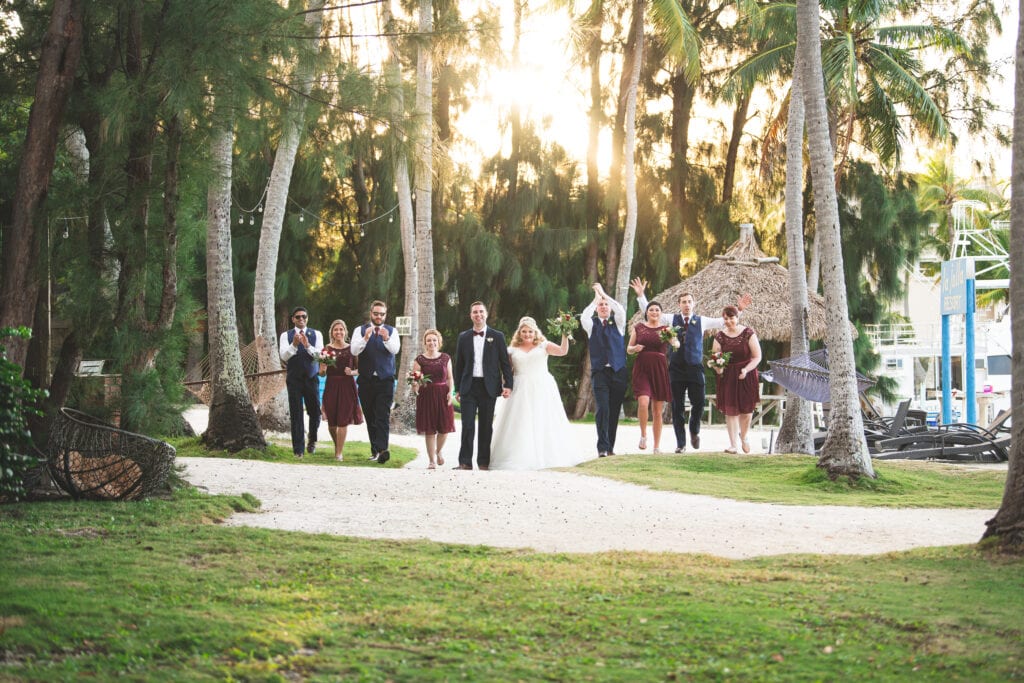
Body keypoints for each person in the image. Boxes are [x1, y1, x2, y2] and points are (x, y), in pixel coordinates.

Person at [633, 278, 751, 453]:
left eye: (689, 301)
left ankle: (694, 431)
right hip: (676, 369)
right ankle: (681, 444)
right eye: (683, 302)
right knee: (677, 407)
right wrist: (641, 295)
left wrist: (739, 309)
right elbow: (651, 312)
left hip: (695, 368)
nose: (686, 304)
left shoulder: (701, 320)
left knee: (698, 403)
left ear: (694, 303)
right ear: (679, 304)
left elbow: (722, 322)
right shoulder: (671, 319)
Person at [490, 317, 588, 470]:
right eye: (524, 331)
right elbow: (508, 371)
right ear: (519, 332)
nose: (527, 334)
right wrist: (505, 385)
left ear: (535, 332)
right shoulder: (512, 350)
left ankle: (546, 455)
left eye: (530, 331)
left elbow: (563, 351)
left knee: (543, 419)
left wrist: (564, 333)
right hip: (520, 388)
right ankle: (519, 455)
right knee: (520, 420)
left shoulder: (544, 345)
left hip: (542, 386)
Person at [453, 301, 513, 470]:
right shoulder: (463, 337)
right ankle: (464, 462)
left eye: (480, 312)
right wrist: (458, 388)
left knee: (486, 426)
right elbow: (459, 364)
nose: (478, 315)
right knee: (468, 425)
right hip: (469, 386)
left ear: (486, 314)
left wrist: (508, 384)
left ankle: (483, 462)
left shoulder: (498, 336)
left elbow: (505, 363)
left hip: (489, 387)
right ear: (470, 315)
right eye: (474, 312)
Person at [581, 283, 628, 458]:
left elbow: (620, 309)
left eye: (605, 304)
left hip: (618, 372)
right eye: (601, 305)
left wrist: (604, 295)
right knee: (603, 408)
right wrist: (596, 299)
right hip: (600, 372)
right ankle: (602, 447)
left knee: (614, 410)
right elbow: (584, 315)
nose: (603, 306)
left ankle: (610, 447)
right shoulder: (591, 325)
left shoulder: (618, 323)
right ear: (597, 309)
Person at [351, 300, 400, 464]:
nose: (379, 316)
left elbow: (395, 350)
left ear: (386, 315)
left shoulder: (392, 331)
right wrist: (365, 338)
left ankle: (383, 450)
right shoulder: (360, 330)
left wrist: (386, 338)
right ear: (371, 313)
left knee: (382, 416)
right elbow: (354, 350)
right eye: (376, 313)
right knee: (370, 416)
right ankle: (375, 450)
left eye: (382, 314)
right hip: (366, 380)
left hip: (385, 380)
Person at [712, 305, 762, 453]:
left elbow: (757, 357)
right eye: (725, 319)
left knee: (746, 411)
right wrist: (718, 368)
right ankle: (733, 445)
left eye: (731, 318)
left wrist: (746, 369)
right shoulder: (720, 336)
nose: (728, 321)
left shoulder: (748, 333)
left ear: (737, 318)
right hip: (728, 376)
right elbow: (715, 357)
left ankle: (744, 436)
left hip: (746, 374)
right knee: (731, 410)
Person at [627, 300, 673, 453]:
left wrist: (676, 342)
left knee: (658, 411)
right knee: (643, 401)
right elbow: (628, 349)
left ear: (661, 313)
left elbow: (676, 342)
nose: (654, 312)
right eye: (651, 310)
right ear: (646, 312)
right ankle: (643, 435)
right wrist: (635, 348)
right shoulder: (638, 328)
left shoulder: (666, 329)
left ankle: (656, 446)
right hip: (642, 368)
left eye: (657, 310)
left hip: (659, 369)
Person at [279, 307, 323, 458]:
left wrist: (308, 346)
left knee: (315, 412)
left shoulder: (316, 334)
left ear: (307, 318)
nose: (301, 319)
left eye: (304, 316)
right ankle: (298, 450)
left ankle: (312, 439)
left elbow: (321, 356)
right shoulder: (286, 335)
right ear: (293, 319)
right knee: (296, 414)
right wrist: (294, 345)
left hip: (311, 378)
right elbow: (284, 356)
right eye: (298, 317)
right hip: (294, 379)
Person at [319, 319, 363, 461]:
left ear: (345, 332)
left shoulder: (352, 349)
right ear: (332, 332)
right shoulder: (326, 349)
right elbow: (321, 373)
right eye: (336, 329)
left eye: (341, 329)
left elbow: (360, 370)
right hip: (331, 386)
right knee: (332, 423)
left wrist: (352, 372)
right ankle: (338, 445)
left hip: (347, 386)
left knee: (343, 420)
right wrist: (323, 369)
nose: (338, 332)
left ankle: (338, 453)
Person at [413, 329, 456, 469]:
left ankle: (438, 451)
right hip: (426, 396)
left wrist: (451, 391)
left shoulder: (445, 358)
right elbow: (415, 378)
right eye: (429, 340)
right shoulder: (420, 359)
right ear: (425, 343)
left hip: (443, 394)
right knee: (430, 429)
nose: (432, 342)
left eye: (434, 340)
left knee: (444, 428)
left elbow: (450, 377)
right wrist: (416, 385)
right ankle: (431, 461)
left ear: (439, 342)